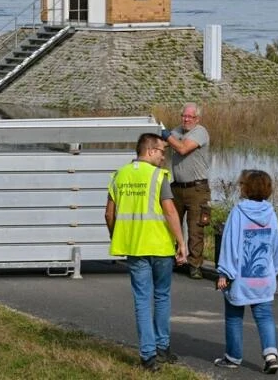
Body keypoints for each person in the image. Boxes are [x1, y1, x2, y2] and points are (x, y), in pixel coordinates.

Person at [105, 133, 188, 373]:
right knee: (161, 296)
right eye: (162, 151)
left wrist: (116, 235)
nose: (164, 156)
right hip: (160, 247)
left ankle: (148, 356)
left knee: (142, 300)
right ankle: (163, 347)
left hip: (134, 248)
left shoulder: (119, 175)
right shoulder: (158, 176)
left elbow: (109, 214)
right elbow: (170, 212)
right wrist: (181, 243)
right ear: (150, 151)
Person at [214, 169, 278, 374]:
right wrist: (274, 270)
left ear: (246, 189)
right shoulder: (271, 213)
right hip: (264, 276)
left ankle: (233, 357)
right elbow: (276, 245)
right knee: (265, 316)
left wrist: (224, 273)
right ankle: (271, 356)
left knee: (234, 316)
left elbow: (230, 244)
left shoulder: (238, 212)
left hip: (240, 278)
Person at [161, 102, 211, 279]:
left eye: (190, 117)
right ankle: (175, 259)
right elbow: (163, 143)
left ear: (197, 119)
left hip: (197, 188)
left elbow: (182, 149)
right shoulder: (177, 131)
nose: (186, 119)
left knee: (195, 228)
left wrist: (167, 136)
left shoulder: (200, 132)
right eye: (184, 116)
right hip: (177, 186)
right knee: (172, 225)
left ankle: (195, 265)